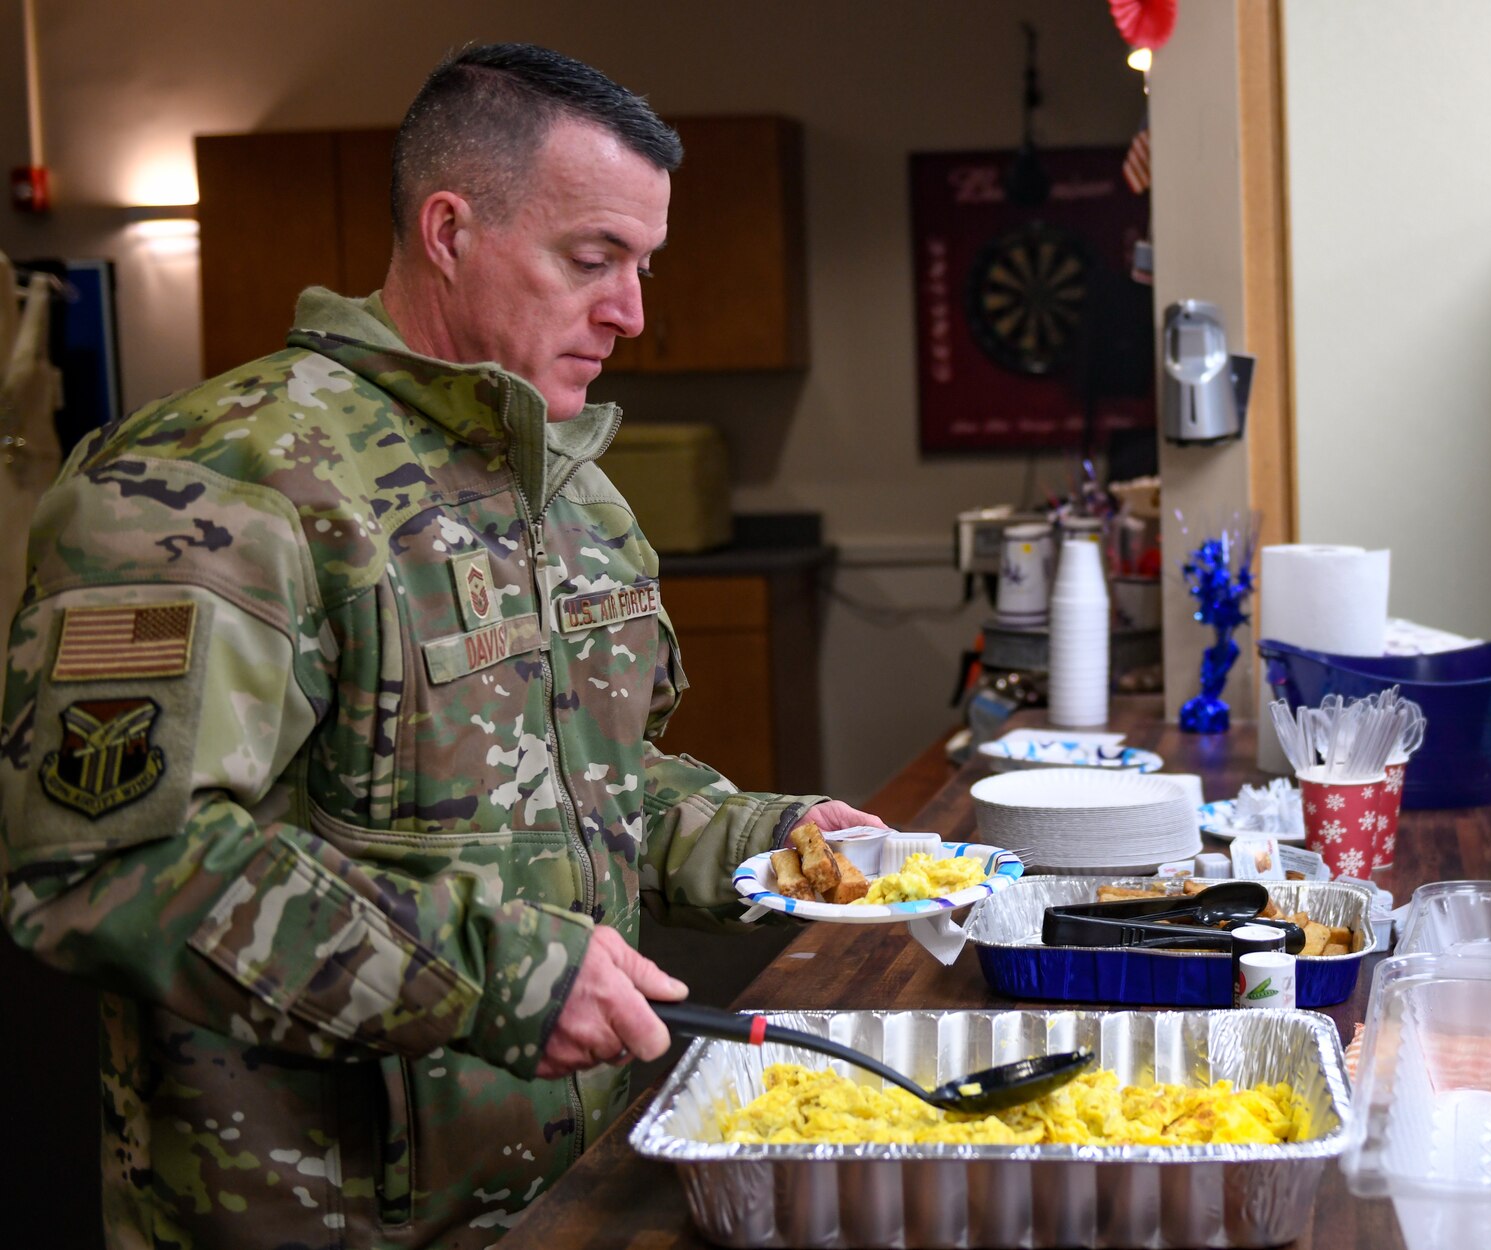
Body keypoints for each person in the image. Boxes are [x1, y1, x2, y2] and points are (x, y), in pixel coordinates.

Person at [0, 43, 881, 1249]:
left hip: (574, 1187)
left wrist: (766, 838)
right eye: (592, 259)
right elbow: (112, 865)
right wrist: (494, 969)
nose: (630, 310)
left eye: (641, 265)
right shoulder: (215, 480)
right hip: (321, 1217)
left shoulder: (570, 493)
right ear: (449, 227)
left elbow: (584, 793)